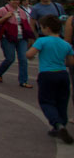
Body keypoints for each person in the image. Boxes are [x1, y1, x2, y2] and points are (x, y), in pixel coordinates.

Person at [25, 15, 74, 143]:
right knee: (62, 102)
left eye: (41, 27)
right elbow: (71, 62)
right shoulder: (66, 44)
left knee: (46, 101)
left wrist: (31, 56)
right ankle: (60, 124)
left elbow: (29, 54)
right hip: (63, 74)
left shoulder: (42, 41)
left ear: (46, 28)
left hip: (47, 74)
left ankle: (57, 124)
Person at [0, 0, 35, 88]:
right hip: (8, 38)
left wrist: (30, 36)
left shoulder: (22, 11)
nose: (16, 2)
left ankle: (23, 81)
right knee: (10, 58)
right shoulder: (3, 10)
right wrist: (5, 17)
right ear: (9, 1)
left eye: (17, 0)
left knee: (23, 59)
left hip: (21, 38)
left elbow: (26, 25)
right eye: (13, 0)